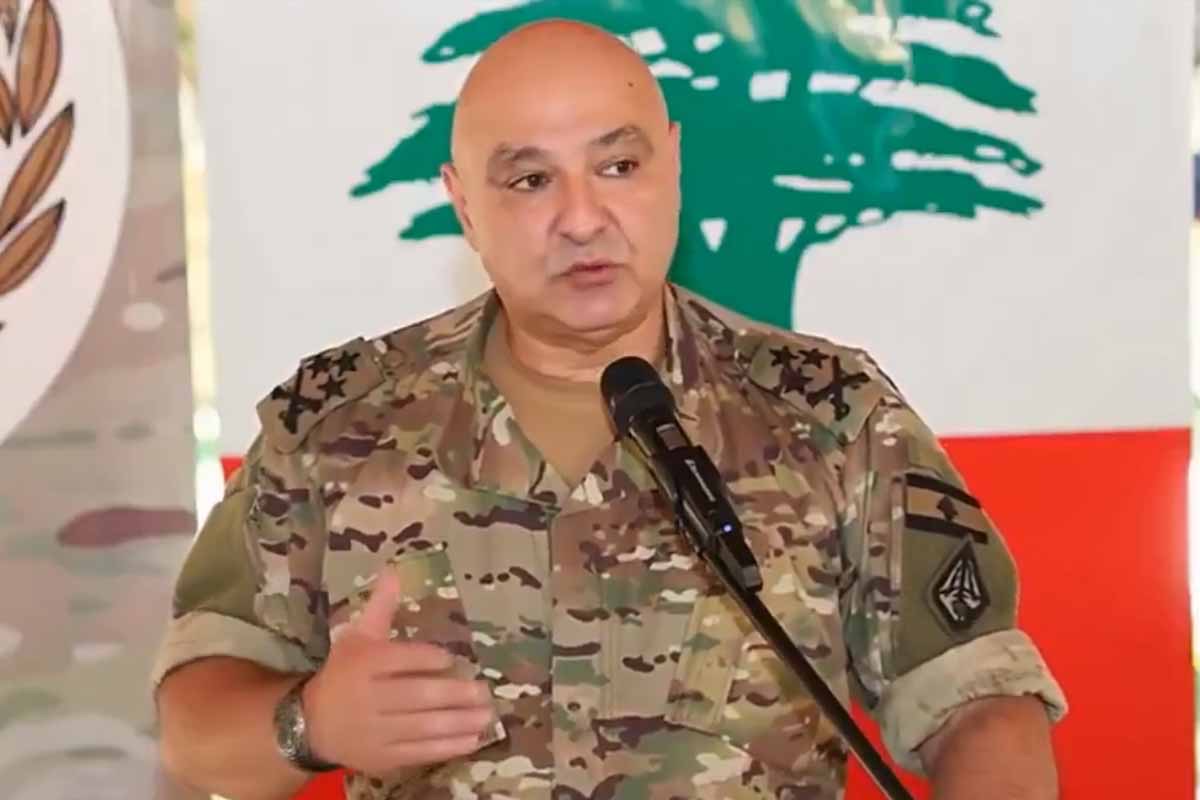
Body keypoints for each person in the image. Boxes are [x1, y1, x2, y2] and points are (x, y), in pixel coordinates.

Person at [154, 19, 1066, 800]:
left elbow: (978, 701)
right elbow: (193, 721)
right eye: (530, 181)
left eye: (619, 165)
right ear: (463, 204)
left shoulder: (829, 419)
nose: (584, 217)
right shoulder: (337, 430)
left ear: (673, 166)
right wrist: (308, 722)